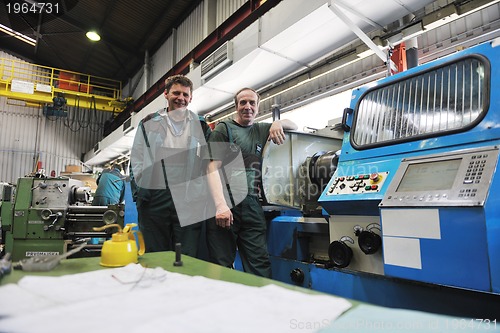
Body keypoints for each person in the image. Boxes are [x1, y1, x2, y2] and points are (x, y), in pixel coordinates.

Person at [206, 87, 297, 278]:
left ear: (257, 106)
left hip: (252, 206)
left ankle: (259, 305)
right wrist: (220, 205)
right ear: (236, 106)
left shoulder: (261, 129)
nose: (248, 107)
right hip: (226, 206)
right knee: (222, 266)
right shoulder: (224, 129)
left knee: (259, 265)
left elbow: (294, 125)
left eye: (252, 103)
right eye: (243, 103)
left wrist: (277, 123)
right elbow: (211, 168)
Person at [129, 74, 212, 257]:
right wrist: (140, 195)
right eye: (176, 93)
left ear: (190, 98)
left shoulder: (201, 125)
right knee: (154, 254)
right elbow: (136, 158)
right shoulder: (149, 122)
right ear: (166, 94)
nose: (180, 98)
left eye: (185, 94)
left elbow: (210, 162)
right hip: (154, 197)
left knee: (186, 255)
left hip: (189, 198)